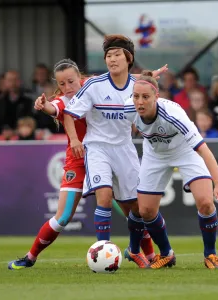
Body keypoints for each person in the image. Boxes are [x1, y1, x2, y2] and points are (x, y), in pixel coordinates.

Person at [7, 58, 164, 270]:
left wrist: (148, 76)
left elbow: (124, 79)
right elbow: (54, 108)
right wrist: (44, 105)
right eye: (62, 84)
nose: (67, 87)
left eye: (71, 81)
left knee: (134, 211)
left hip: (108, 154)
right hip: (78, 160)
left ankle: (149, 255)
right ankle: (30, 257)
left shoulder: (92, 85)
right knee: (62, 217)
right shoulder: (64, 100)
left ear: (80, 78)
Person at [63, 35, 166, 268]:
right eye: (108, 56)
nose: (112, 59)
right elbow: (69, 114)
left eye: (117, 55)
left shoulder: (136, 87)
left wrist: (149, 79)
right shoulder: (94, 85)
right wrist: (74, 140)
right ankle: (103, 252)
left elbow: (149, 107)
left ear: (128, 59)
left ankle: (134, 249)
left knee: (137, 208)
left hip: (124, 147)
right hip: (97, 147)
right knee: (105, 197)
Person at [123, 70, 218, 269]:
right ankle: (167, 253)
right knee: (146, 211)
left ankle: (210, 255)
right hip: (155, 154)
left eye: (145, 97)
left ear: (156, 97)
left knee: (205, 202)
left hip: (186, 151)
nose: (139, 102)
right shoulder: (127, 109)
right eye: (136, 96)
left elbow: (205, 151)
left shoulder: (172, 115)